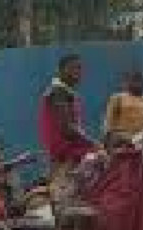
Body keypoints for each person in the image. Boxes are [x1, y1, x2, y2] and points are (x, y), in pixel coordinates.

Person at [39, 54, 98, 208]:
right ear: (60, 70)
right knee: (65, 193)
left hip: (65, 151)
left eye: (80, 68)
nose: (77, 72)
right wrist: (93, 142)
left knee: (68, 191)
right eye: (72, 68)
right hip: (65, 151)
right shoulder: (59, 92)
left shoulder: (65, 92)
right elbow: (67, 128)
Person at [103, 70, 143, 142]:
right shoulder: (118, 98)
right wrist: (109, 136)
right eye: (134, 80)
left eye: (140, 81)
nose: (137, 84)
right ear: (128, 83)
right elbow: (108, 123)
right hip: (121, 138)